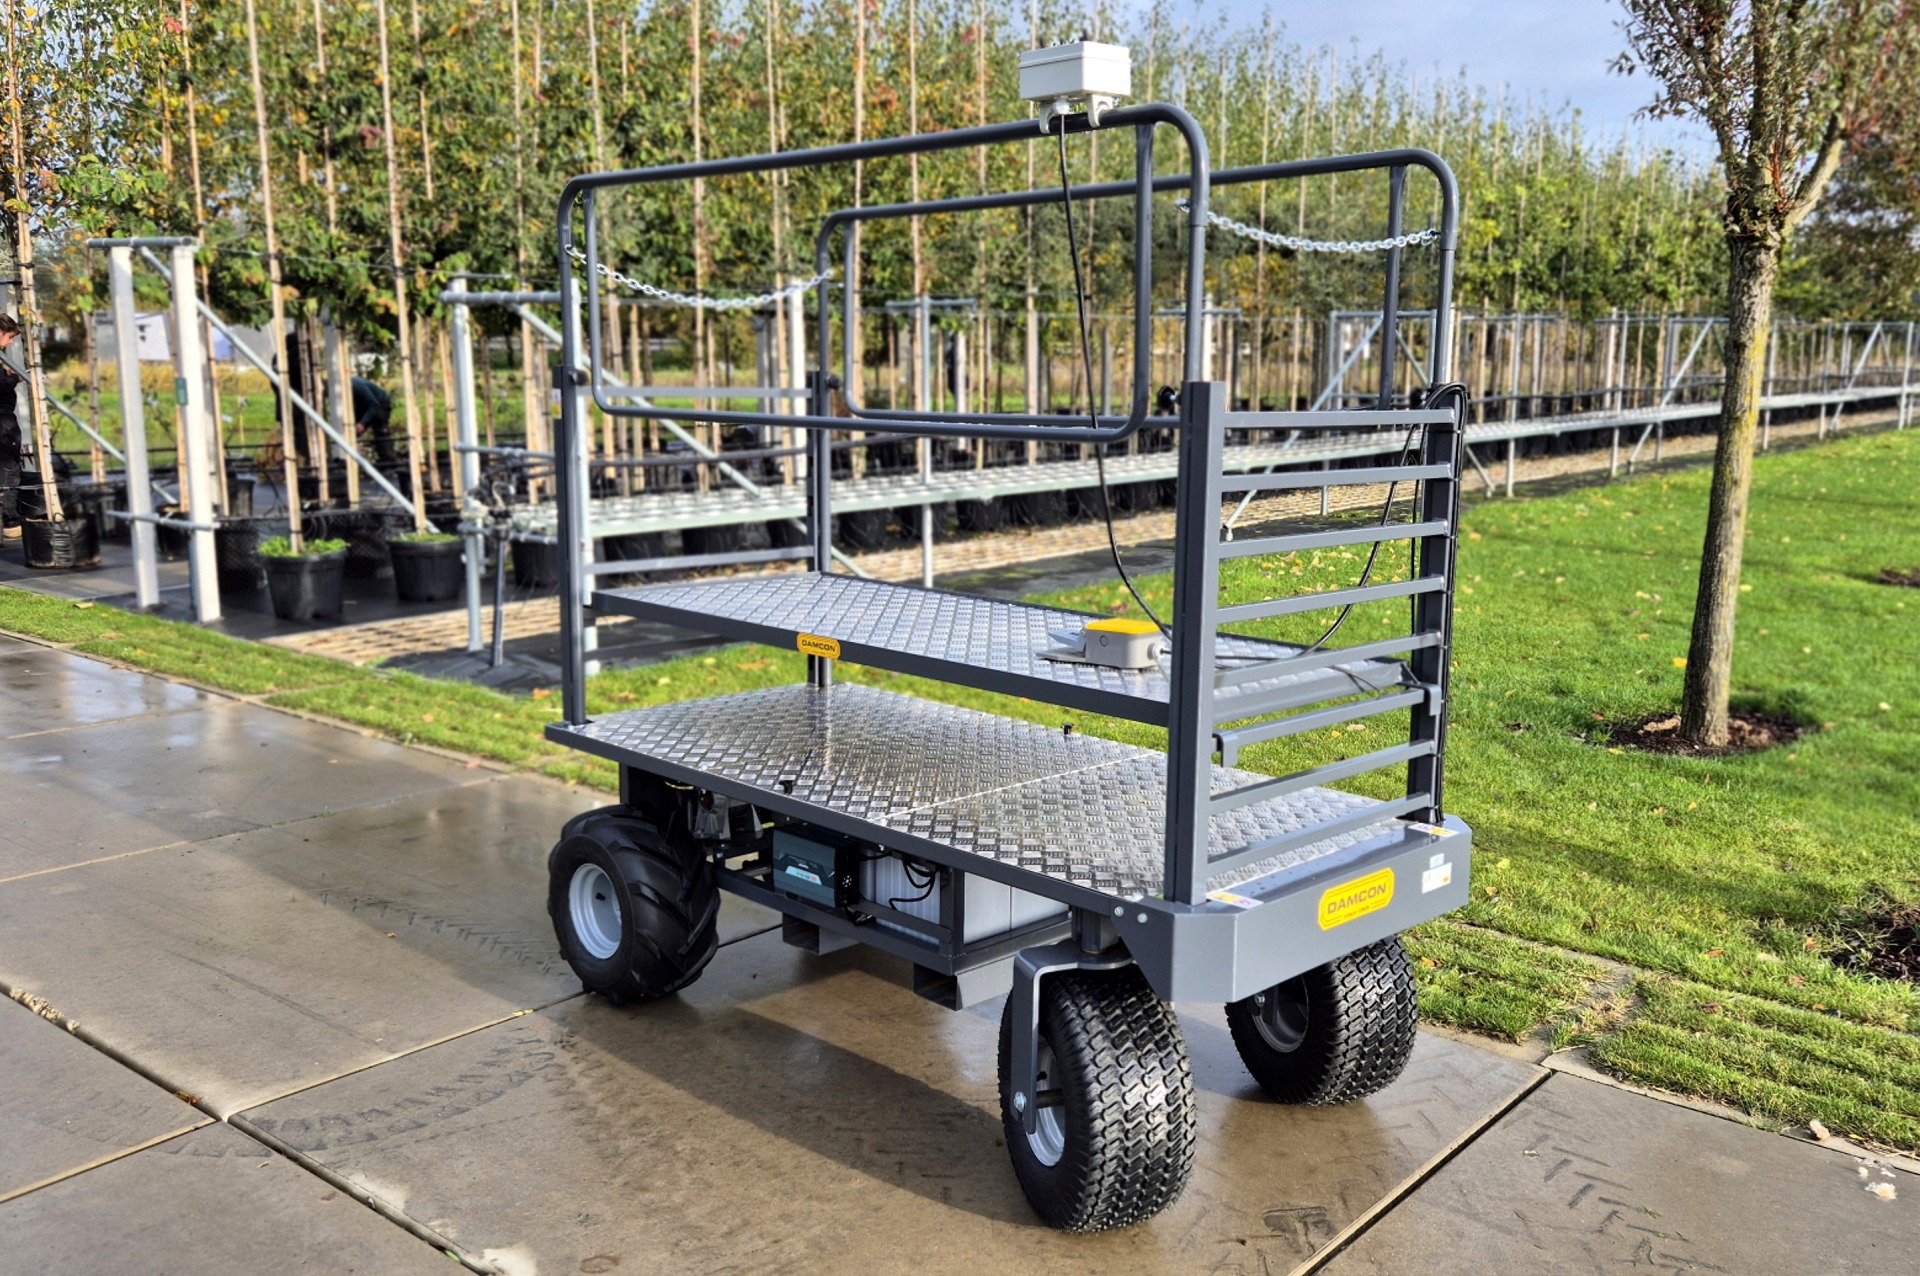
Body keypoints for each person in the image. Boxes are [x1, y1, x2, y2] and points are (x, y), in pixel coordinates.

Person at [0, 314, 23, 539]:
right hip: (3, 420)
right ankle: (10, 520)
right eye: (9, 337)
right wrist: (15, 379)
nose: (10, 342)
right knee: (9, 468)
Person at [351, 375, 396, 467]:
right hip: (364, 405)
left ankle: (389, 461)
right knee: (352, 429)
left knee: (380, 429)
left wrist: (363, 422)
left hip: (380, 404)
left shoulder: (357, 387)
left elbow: (374, 404)